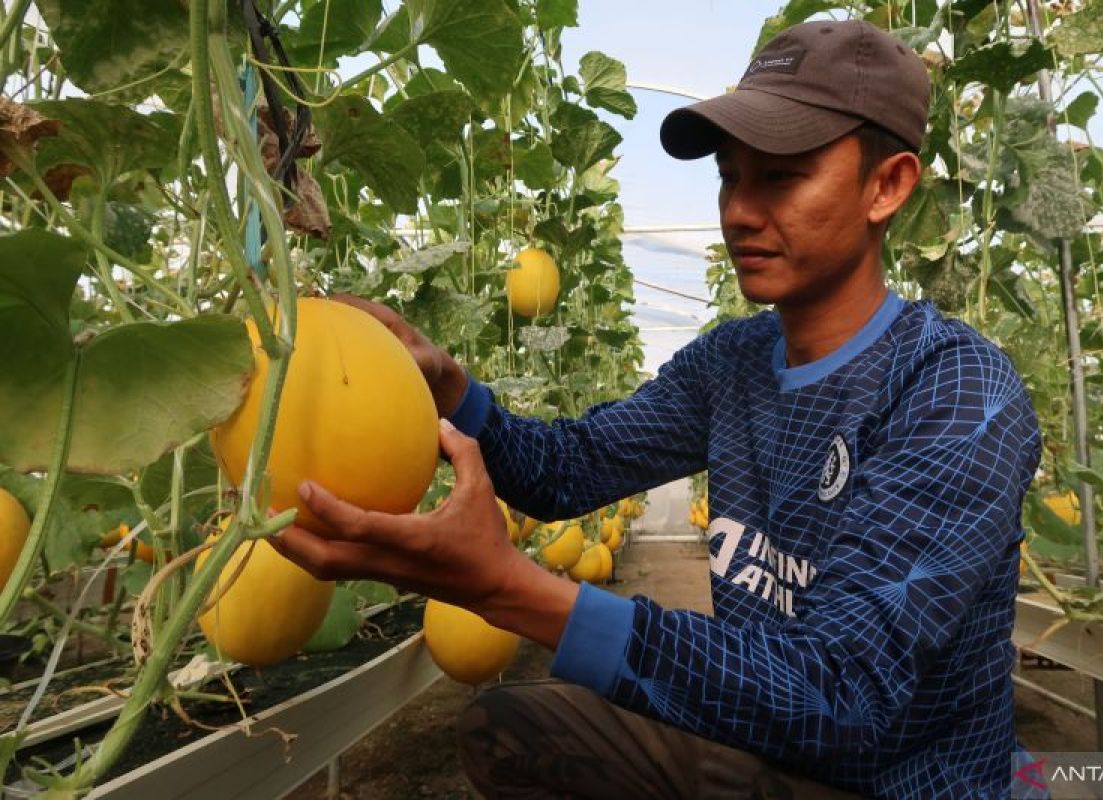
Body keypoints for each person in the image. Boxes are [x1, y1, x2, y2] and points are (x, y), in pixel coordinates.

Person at [273, 19, 1042, 800]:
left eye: (780, 176)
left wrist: (508, 588)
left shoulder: (955, 390)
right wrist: (451, 392)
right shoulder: (731, 364)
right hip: (760, 740)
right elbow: (564, 471)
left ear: (888, 185)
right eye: (730, 177)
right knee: (512, 732)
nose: (739, 210)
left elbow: (843, 700)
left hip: (898, 778)